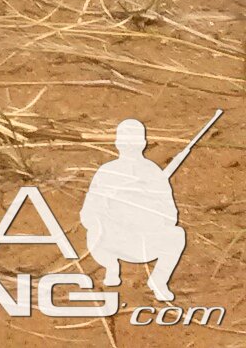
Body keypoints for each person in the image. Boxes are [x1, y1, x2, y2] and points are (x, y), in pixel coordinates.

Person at [80, 118, 188, 301]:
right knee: (95, 230)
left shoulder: (153, 173)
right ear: (117, 143)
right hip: (112, 239)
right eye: (125, 140)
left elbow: (170, 215)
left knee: (177, 235)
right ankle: (111, 267)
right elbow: (87, 213)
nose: (129, 145)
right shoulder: (107, 171)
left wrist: (148, 211)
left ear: (143, 143)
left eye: (133, 140)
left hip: (145, 241)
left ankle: (159, 281)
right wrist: (107, 212)